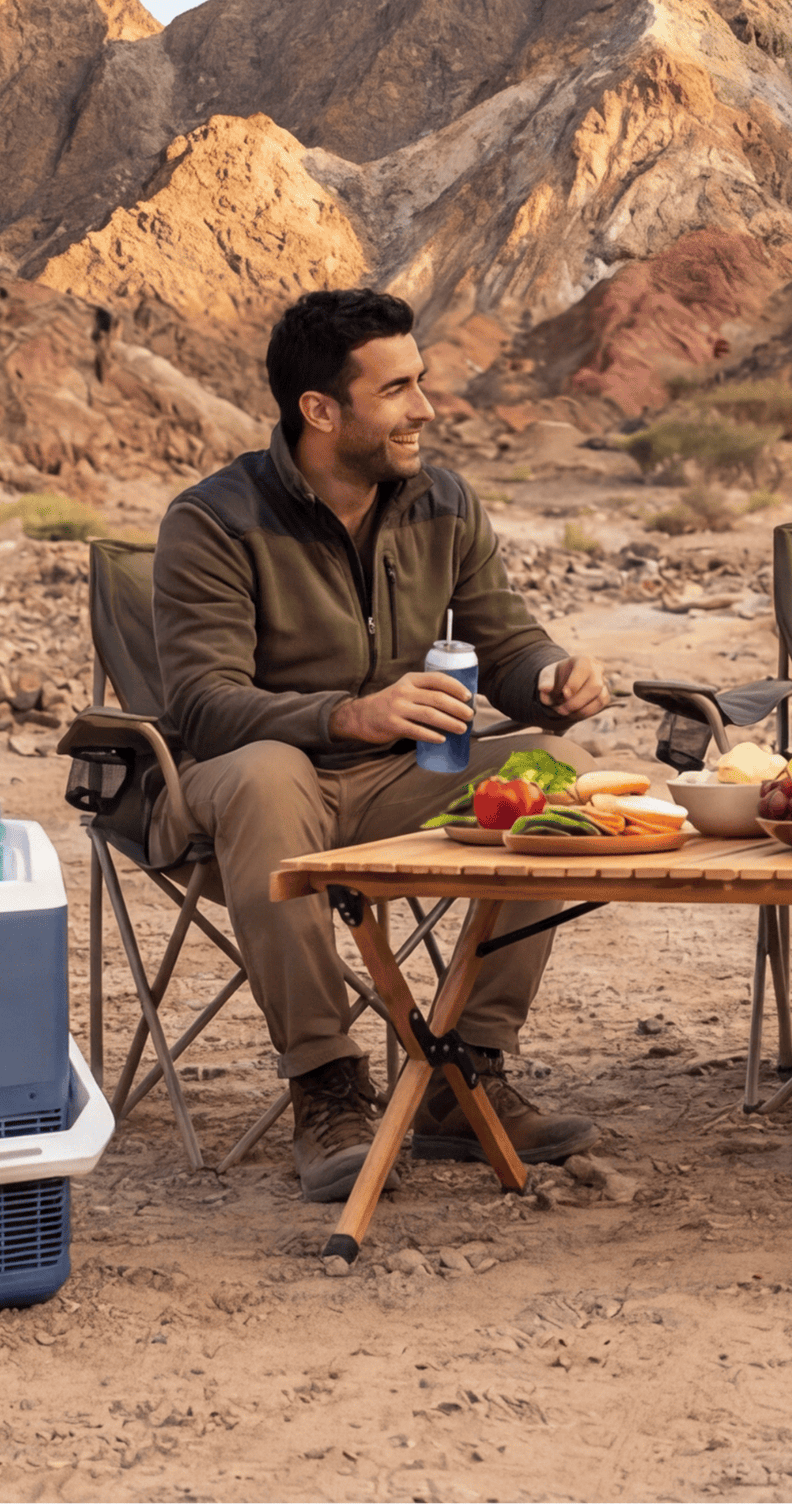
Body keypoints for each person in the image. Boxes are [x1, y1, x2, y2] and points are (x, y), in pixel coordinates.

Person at [153, 289, 616, 1203]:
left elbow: (508, 643)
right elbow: (204, 705)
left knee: (554, 778)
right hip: (262, 788)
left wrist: (554, 677)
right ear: (320, 411)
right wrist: (350, 715)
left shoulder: (441, 501)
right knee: (264, 776)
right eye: (398, 388)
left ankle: (463, 1073)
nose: (426, 408)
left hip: (404, 782)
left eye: (423, 382)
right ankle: (325, 1085)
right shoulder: (212, 519)